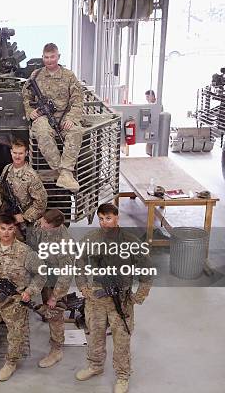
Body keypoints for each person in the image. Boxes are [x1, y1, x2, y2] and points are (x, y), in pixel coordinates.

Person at [74, 203, 153, 393]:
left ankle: (123, 375)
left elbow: (147, 270)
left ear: (117, 218)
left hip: (121, 300)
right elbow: (79, 262)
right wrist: (83, 287)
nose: (104, 223)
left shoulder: (130, 241)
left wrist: (138, 296)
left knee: (121, 340)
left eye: (108, 218)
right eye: (101, 219)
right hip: (96, 299)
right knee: (94, 335)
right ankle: (95, 365)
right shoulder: (90, 238)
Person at [0, 214, 46, 381]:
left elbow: (41, 274)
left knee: (15, 334)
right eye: (3, 229)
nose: (6, 232)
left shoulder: (25, 251)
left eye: (10, 229)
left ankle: (11, 363)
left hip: (14, 300)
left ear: (15, 229)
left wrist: (29, 292)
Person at [23, 43, 85, 192]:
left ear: (58, 57)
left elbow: (78, 99)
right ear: (42, 57)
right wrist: (31, 111)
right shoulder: (36, 75)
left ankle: (65, 171)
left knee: (76, 132)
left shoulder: (68, 76)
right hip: (43, 117)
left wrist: (71, 118)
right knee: (42, 131)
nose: (49, 60)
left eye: (52, 57)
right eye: (46, 57)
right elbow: (26, 96)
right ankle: (64, 173)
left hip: (64, 116)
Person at [26, 209, 74, 368]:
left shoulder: (64, 243)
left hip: (55, 279)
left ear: (55, 226)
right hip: (41, 271)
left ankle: (57, 349)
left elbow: (66, 274)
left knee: (55, 313)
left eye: (46, 223)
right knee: (44, 308)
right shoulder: (42, 223)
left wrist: (55, 296)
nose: (42, 223)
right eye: (43, 220)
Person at [0, 138, 48, 236]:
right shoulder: (7, 169)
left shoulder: (31, 176)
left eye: (20, 153)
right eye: (15, 153)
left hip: (24, 222)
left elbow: (41, 202)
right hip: (7, 218)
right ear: (11, 152)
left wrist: (24, 217)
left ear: (26, 153)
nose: (17, 156)